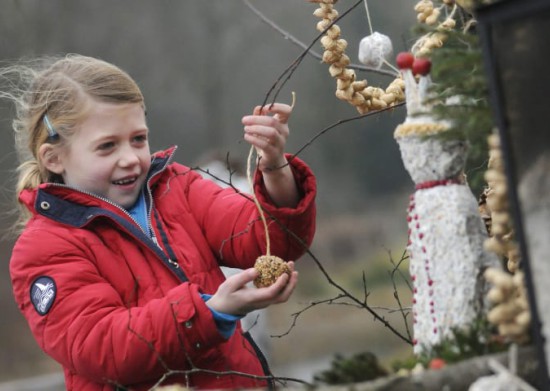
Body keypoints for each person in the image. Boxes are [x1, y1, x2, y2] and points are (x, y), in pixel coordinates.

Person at [4, 54, 317, 390]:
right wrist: (212, 313)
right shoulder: (43, 249)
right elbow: (105, 348)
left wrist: (274, 167)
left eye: (138, 139)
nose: (130, 158)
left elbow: (271, 239)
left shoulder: (176, 186)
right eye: (107, 146)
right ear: (54, 158)